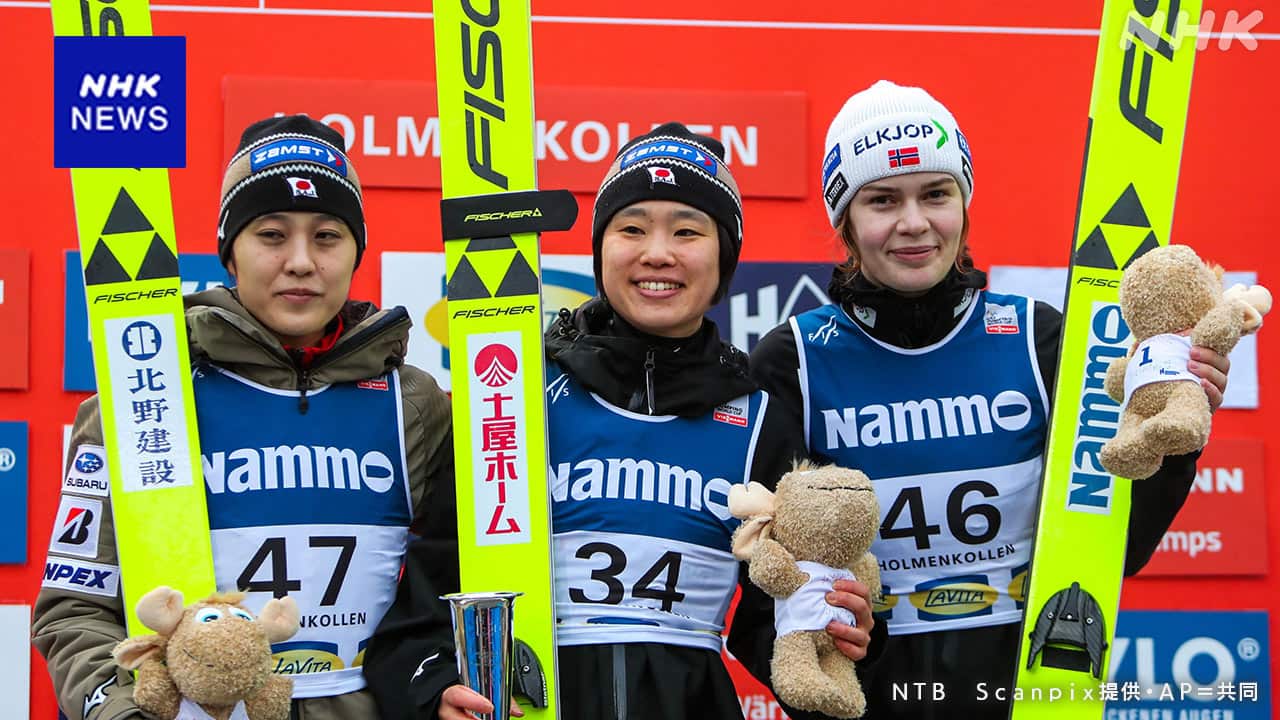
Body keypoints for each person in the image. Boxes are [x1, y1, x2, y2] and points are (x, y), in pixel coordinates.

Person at [729, 80, 1232, 719]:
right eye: (883, 200)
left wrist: (1173, 427)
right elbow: (760, 605)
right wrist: (847, 653)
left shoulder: (1040, 339)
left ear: (964, 203)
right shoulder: (792, 361)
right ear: (846, 222)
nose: (914, 223)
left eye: (936, 193)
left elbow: (1119, 544)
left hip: (1032, 698)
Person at [363, 123, 868, 720]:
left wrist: (831, 630)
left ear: (724, 257)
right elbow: (428, 598)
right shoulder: (517, 401)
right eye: (632, 229)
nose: (658, 253)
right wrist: (433, 687)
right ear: (601, 250)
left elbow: (772, 624)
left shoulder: (759, 420)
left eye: (687, 231)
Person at [32, 115, 456, 719]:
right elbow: (74, 606)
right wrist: (122, 711)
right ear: (230, 252)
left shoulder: (414, 403)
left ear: (356, 250)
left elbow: (445, 589)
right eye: (272, 235)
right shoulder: (147, 396)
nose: (301, 262)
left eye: (328, 236)